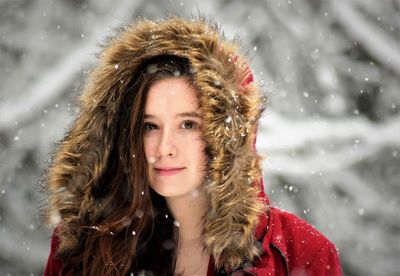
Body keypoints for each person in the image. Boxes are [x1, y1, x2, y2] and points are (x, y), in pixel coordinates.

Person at [42, 16, 342, 275]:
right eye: (150, 126)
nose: (164, 148)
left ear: (226, 136)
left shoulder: (300, 253)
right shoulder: (83, 247)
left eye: (188, 124)